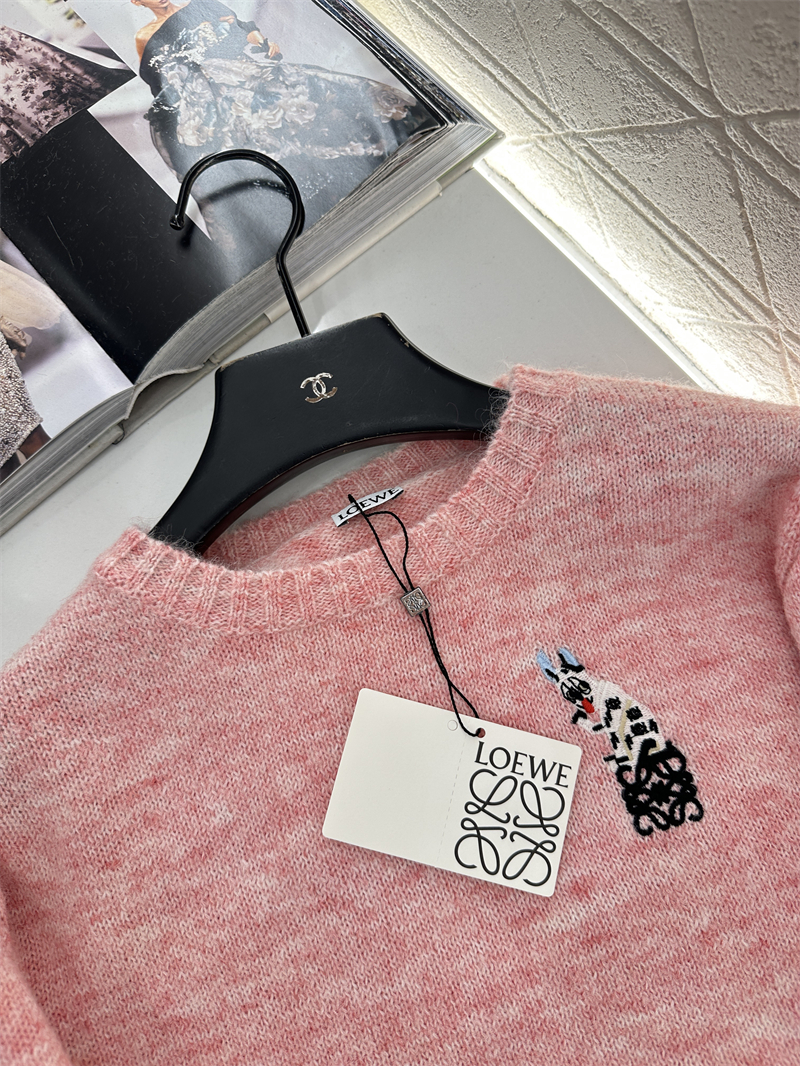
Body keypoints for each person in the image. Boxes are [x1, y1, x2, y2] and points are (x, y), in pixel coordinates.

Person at [131, 0, 435, 279]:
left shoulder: (202, 4)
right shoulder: (144, 37)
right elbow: (162, 84)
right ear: (136, 1)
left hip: (248, 79)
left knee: (316, 111)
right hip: (208, 106)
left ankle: (383, 163)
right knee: (251, 165)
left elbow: (243, 31)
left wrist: (264, 44)